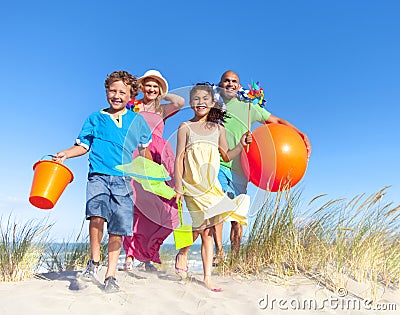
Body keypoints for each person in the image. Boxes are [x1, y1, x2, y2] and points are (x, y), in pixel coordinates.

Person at [52, 70, 152, 293]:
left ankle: (111, 275)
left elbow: (144, 152)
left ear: (130, 96)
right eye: (112, 90)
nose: (116, 95)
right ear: (107, 91)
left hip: (124, 179)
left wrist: (151, 174)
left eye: (122, 92)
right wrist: (66, 154)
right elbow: (83, 146)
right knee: (96, 215)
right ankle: (94, 261)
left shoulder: (137, 121)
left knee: (117, 227)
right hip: (98, 175)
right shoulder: (94, 118)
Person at [212, 70, 312, 264]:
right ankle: (218, 252)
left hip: (242, 169)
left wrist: (301, 134)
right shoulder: (214, 105)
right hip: (219, 163)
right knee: (217, 208)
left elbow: (276, 121)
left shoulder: (249, 106)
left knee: (237, 217)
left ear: (239, 85)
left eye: (234, 81)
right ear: (220, 83)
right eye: (226, 81)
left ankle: (235, 256)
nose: (230, 84)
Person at [174, 83, 252, 292]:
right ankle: (182, 252)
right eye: (196, 99)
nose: (201, 102)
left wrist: (242, 144)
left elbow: (226, 156)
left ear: (212, 103)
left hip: (211, 187)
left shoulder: (219, 129)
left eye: (205, 99)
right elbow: (179, 157)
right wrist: (179, 186)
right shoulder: (185, 128)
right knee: (199, 227)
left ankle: (207, 277)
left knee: (207, 231)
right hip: (192, 186)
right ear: (191, 103)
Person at [121, 70, 184, 271]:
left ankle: (148, 255)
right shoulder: (133, 106)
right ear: (142, 87)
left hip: (158, 155)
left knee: (162, 205)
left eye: (155, 86)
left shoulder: (162, 109)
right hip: (137, 154)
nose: (151, 89)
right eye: (148, 85)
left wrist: (163, 94)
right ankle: (130, 255)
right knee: (136, 205)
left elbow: (180, 102)